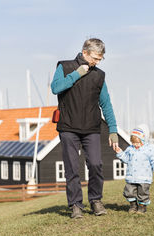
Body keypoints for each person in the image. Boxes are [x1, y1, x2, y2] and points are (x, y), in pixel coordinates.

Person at [51, 38, 118, 219]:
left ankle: (96, 200)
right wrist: (76, 74)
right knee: (72, 168)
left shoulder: (99, 75)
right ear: (85, 52)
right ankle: (75, 205)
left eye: (100, 59)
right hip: (68, 127)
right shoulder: (64, 67)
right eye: (95, 58)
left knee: (96, 164)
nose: (97, 62)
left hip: (91, 128)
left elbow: (106, 104)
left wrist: (113, 130)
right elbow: (55, 88)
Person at [114, 124, 154, 214]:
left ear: (144, 140)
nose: (136, 145)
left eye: (138, 143)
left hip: (144, 177)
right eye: (134, 143)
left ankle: (142, 207)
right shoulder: (130, 149)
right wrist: (120, 152)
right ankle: (133, 206)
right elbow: (126, 159)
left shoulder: (149, 150)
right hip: (131, 177)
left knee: (142, 193)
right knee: (129, 192)